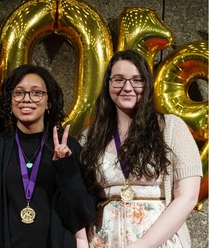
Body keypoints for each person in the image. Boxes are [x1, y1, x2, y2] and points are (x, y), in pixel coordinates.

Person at [78, 50, 203, 248]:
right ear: (108, 84)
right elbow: (79, 199)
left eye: (137, 80)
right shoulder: (89, 137)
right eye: (118, 79)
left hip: (158, 241)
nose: (127, 87)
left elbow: (187, 197)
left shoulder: (170, 128)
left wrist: (144, 244)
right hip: (103, 241)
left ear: (147, 84)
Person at [0, 64, 97, 248]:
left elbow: (82, 216)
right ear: (10, 100)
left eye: (36, 93)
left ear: (48, 101)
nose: (26, 99)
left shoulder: (67, 148)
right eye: (18, 93)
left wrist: (66, 168)